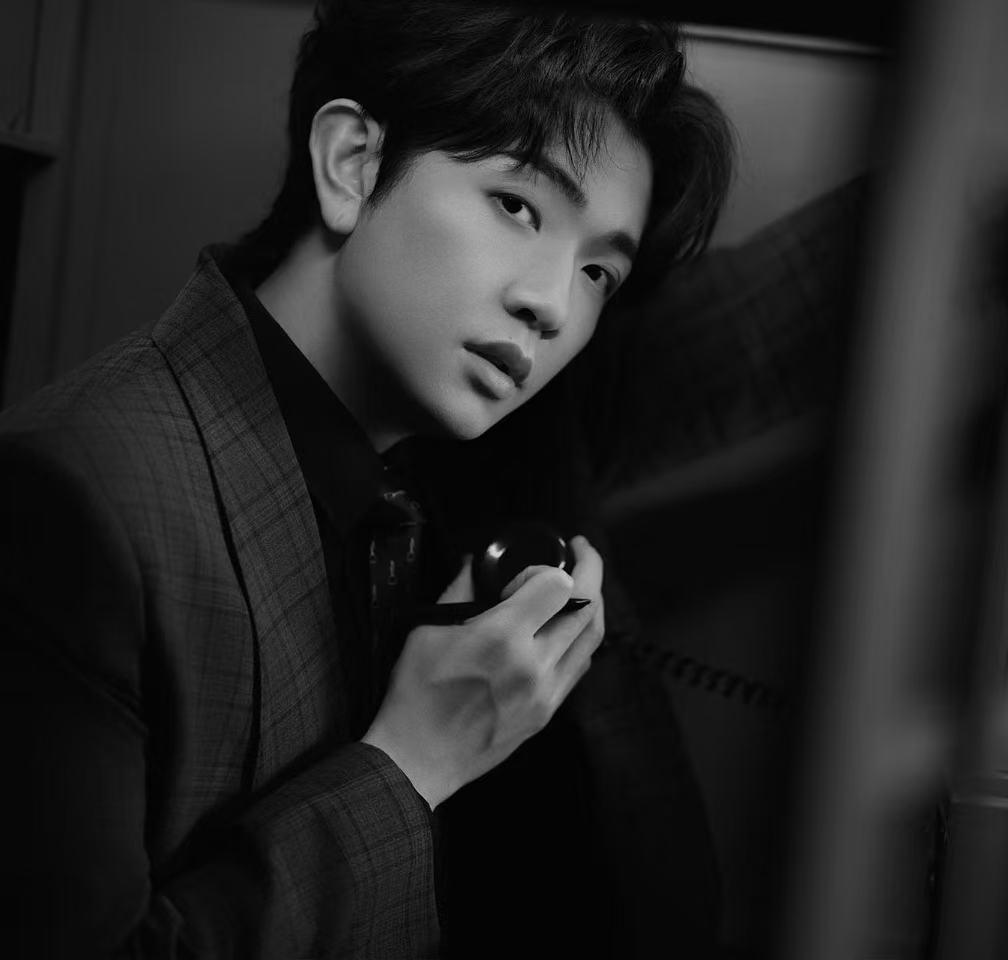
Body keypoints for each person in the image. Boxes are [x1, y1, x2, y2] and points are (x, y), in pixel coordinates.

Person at [1, 2, 739, 957]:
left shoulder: (412, 495)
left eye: (599, 272)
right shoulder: (70, 496)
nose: (553, 304)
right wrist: (414, 762)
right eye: (517, 206)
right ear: (351, 164)